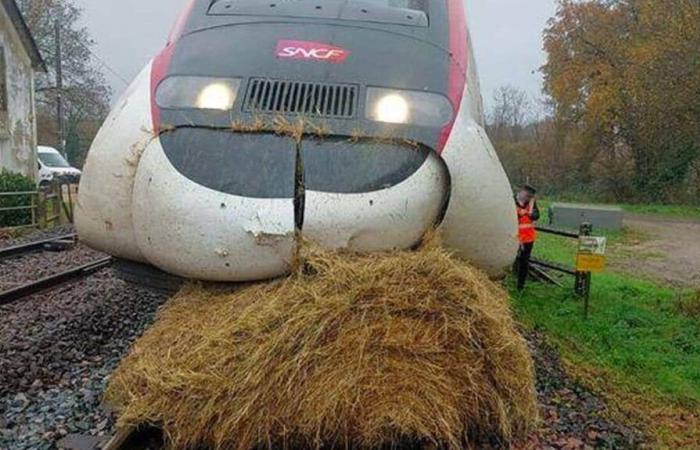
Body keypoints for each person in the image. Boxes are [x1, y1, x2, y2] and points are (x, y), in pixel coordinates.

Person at [515, 184, 540, 290]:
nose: (528, 199)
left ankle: (521, 285)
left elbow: (537, 215)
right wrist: (520, 214)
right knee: (510, 258)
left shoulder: (531, 203)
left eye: (530, 197)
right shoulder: (511, 201)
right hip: (514, 237)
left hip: (528, 237)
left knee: (524, 261)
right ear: (522, 192)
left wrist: (531, 214)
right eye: (527, 196)